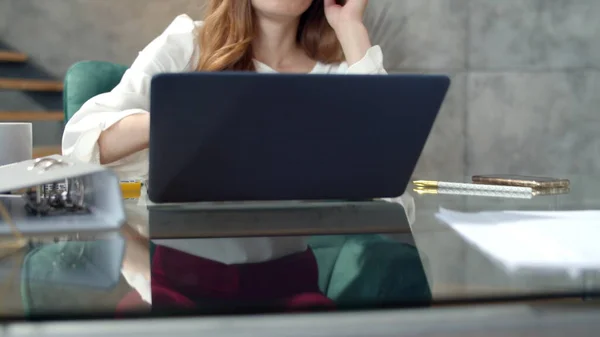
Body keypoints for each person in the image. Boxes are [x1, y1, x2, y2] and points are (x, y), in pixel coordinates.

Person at [62, 0, 388, 312]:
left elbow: (389, 174)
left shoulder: (337, 77)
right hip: (178, 278)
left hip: (289, 282)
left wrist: (350, 26)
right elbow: (81, 144)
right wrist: (176, 118)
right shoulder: (189, 43)